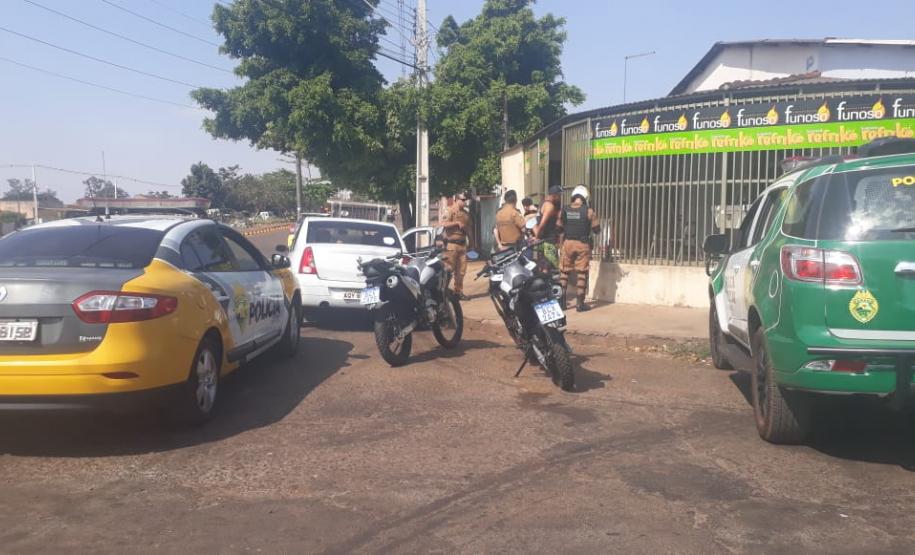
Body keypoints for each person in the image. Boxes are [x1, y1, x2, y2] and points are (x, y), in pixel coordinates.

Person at [560, 185, 600, 312]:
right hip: (582, 244)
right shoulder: (589, 211)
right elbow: (597, 230)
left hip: (567, 243)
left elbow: (558, 228)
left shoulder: (564, 210)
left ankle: (561, 303)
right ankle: (580, 304)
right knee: (581, 273)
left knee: (564, 273)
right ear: (585, 197)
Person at [441, 192, 473, 300]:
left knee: (461, 271)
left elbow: (468, 229)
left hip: (462, 245)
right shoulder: (450, 211)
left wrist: (472, 243)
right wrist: (456, 223)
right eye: (463, 200)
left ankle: (458, 292)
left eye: (466, 200)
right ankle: (443, 291)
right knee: (449, 270)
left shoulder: (466, 214)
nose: (464, 202)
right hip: (452, 245)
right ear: (457, 199)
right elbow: (443, 224)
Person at [533, 185, 563, 271]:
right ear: (555, 195)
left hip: (543, 241)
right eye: (559, 196)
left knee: (542, 265)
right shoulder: (550, 206)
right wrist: (537, 237)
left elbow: (536, 222)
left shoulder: (542, 203)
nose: (560, 198)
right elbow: (542, 223)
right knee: (547, 266)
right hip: (548, 241)